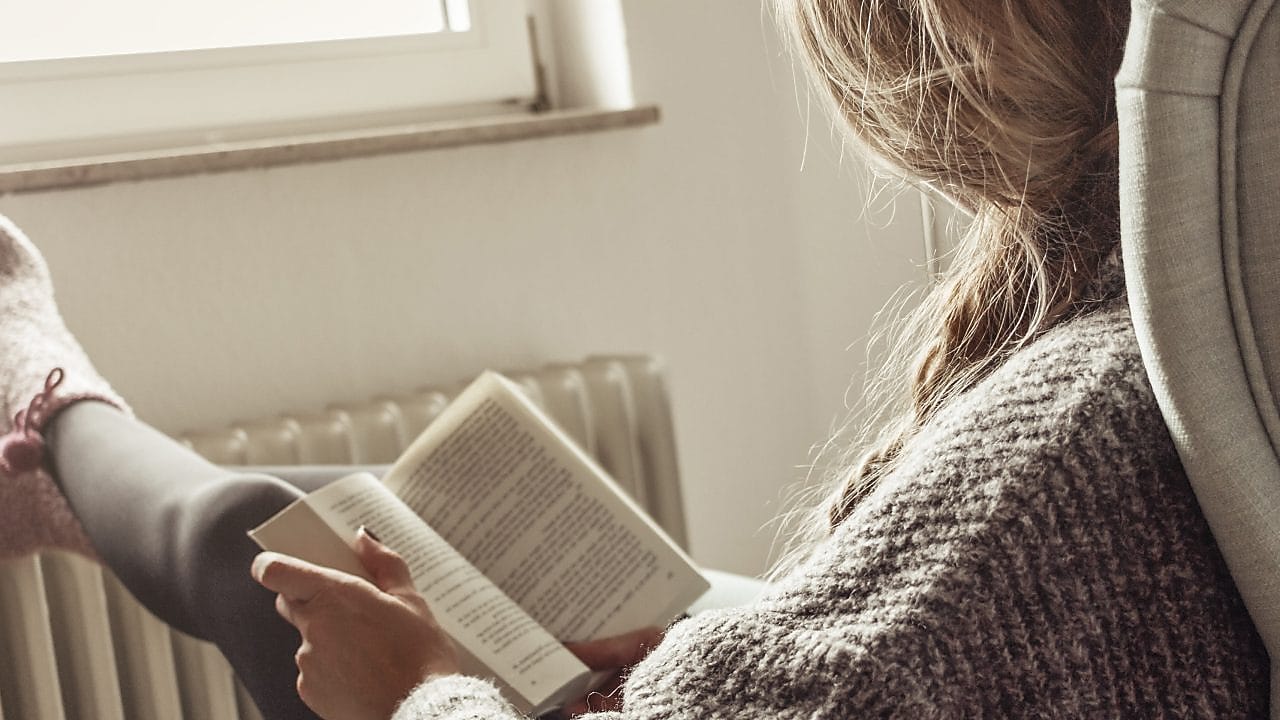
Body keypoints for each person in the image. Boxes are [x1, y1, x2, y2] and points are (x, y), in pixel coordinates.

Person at [0, 0, 1270, 718]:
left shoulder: (1056, 448)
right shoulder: (1174, 361)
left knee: (287, 548)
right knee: (345, 516)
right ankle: (56, 434)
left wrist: (417, 695)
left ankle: (50, 422)